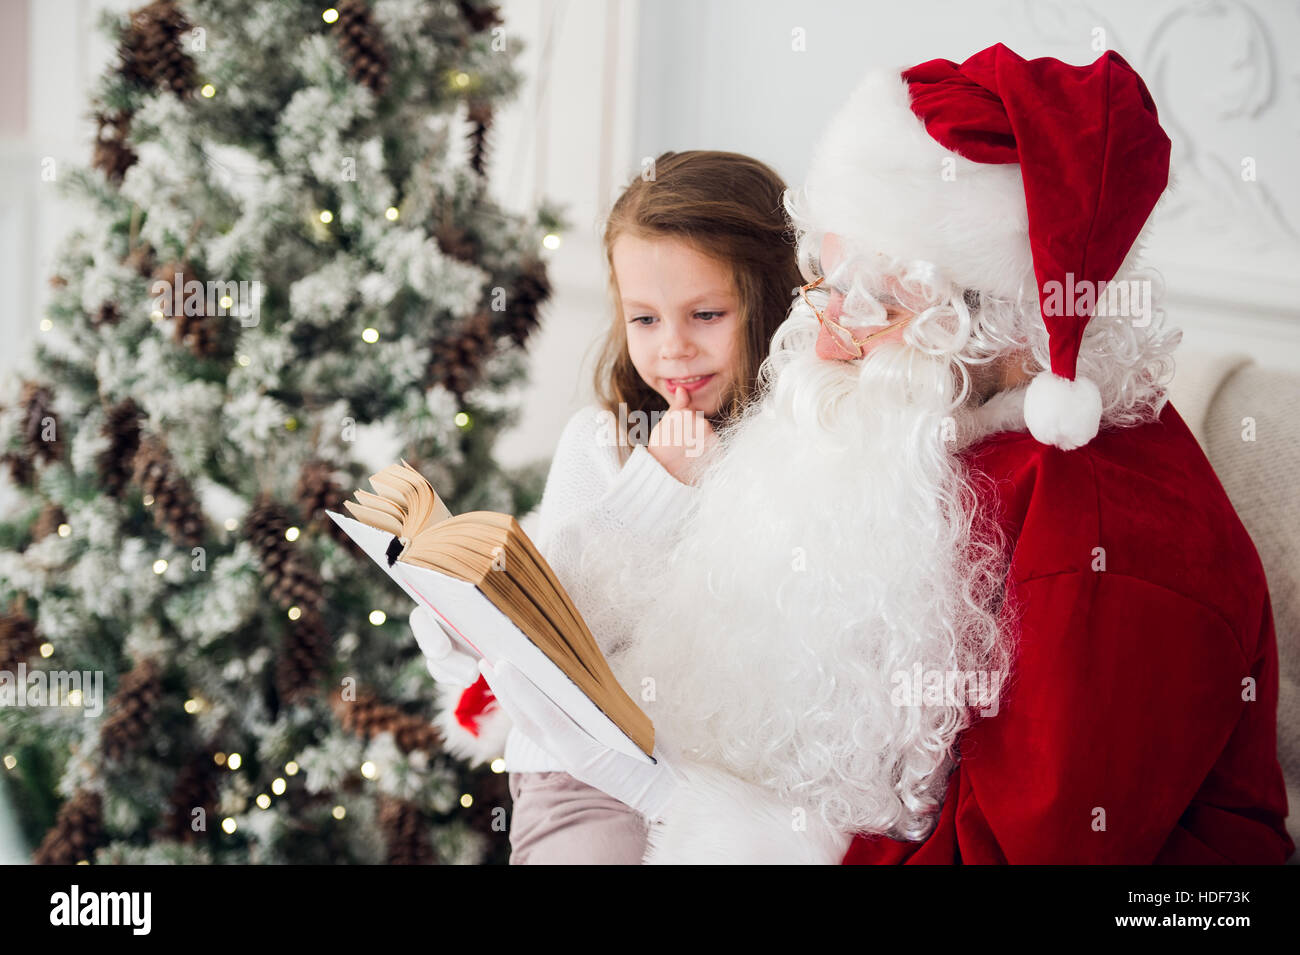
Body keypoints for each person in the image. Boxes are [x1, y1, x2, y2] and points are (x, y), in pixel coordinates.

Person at [475, 44, 1294, 864]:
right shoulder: (928, 439)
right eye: (825, 285)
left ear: (998, 320)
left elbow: (1017, 853)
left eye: (874, 304)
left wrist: (726, 827)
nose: (823, 337)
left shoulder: (1107, 538)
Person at [410, 150, 803, 863]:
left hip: (735, 779)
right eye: (645, 319)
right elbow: (559, 612)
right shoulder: (605, 440)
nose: (673, 348)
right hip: (583, 773)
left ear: (773, 302)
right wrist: (657, 484)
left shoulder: (801, 446)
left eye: (706, 314)